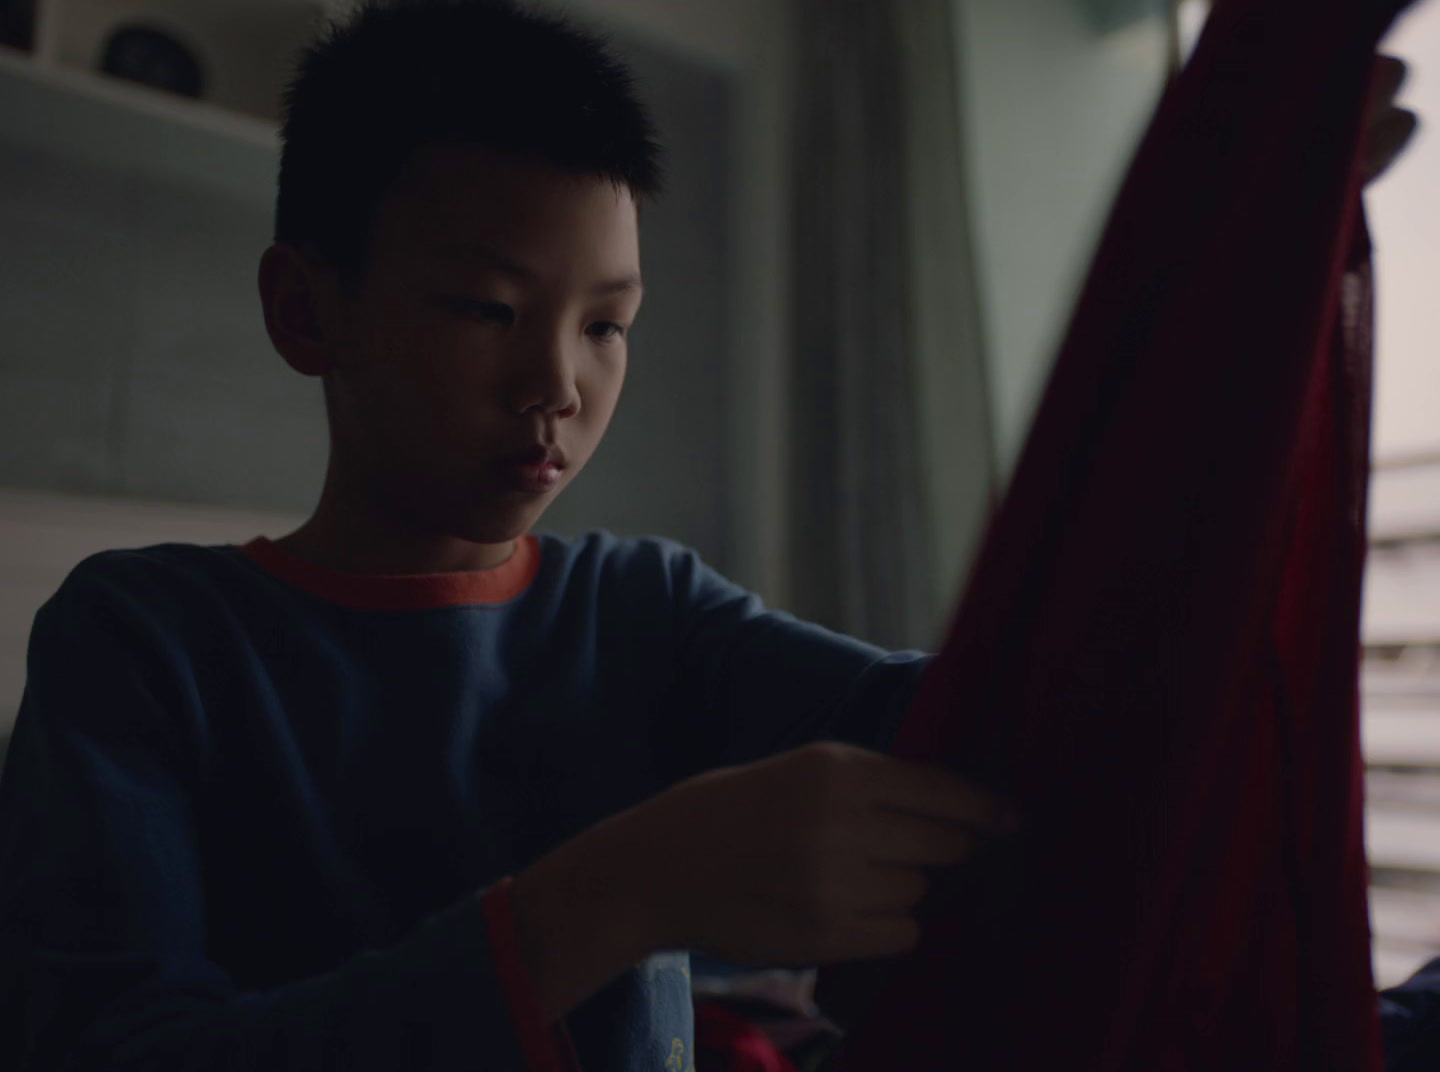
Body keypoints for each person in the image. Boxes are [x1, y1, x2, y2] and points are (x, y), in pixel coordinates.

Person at [0, 1, 1421, 1070]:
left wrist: (1234, 303)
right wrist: (614, 898)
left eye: (608, 324)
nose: (558, 383)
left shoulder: (640, 614)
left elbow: (1004, 739)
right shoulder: (146, 646)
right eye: (489, 310)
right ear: (308, 311)